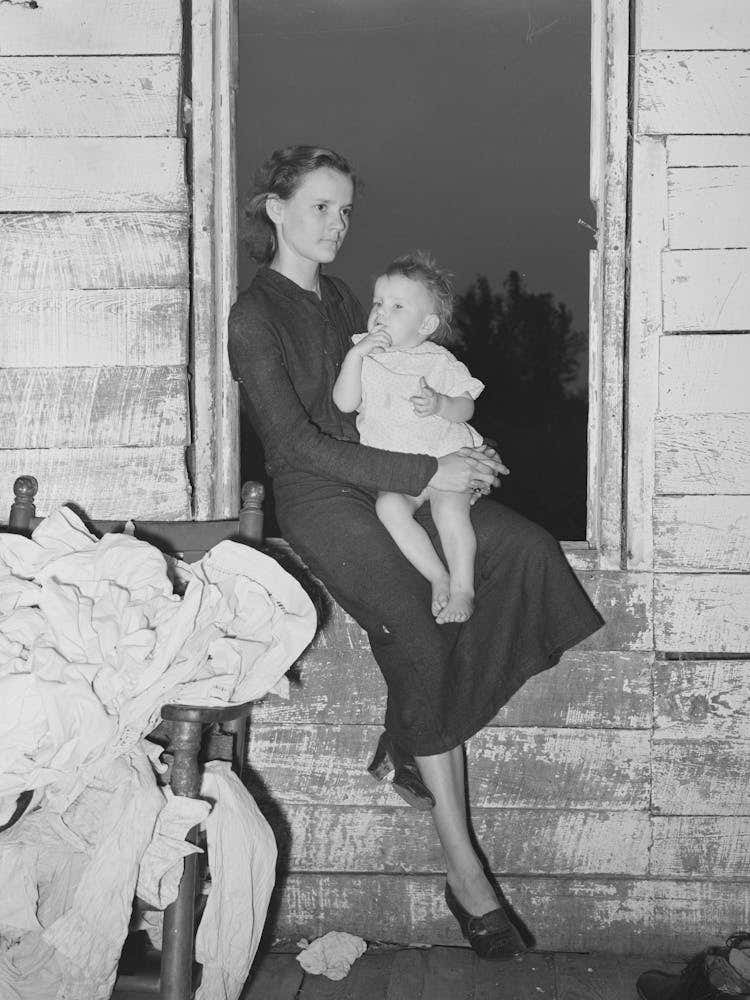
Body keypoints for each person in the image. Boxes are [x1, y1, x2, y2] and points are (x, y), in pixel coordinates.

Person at [228, 145, 605, 961]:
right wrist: (429, 466)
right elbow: (295, 446)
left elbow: (406, 390)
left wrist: (460, 443)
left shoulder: (339, 300)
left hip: (393, 476)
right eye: (323, 206)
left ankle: (412, 736)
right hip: (323, 497)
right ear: (275, 211)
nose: (339, 224)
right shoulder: (252, 316)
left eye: (347, 209)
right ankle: (465, 868)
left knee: (526, 551)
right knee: (415, 621)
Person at [333, 251, 484, 625]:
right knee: (389, 509)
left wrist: (440, 404)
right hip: (400, 472)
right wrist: (355, 358)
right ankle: (438, 576)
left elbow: (466, 408)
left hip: (446, 459)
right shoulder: (364, 354)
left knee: (450, 512)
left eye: (397, 306)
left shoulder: (438, 361)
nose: (381, 312)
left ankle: (464, 587)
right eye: (378, 303)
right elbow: (344, 402)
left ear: (426, 323)